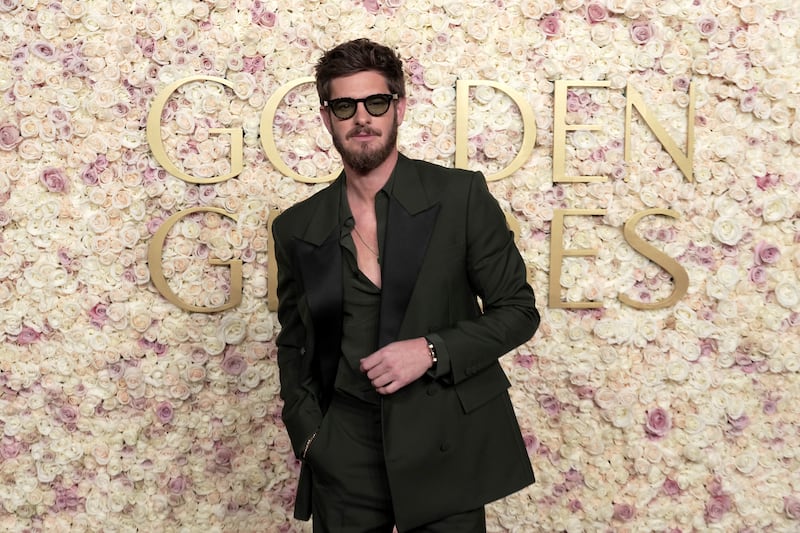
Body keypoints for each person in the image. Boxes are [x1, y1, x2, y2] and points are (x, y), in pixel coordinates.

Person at [272, 38, 540, 533]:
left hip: (444, 438)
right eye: (344, 105)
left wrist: (431, 350)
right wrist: (310, 436)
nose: (362, 118)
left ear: (398, 107)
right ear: (326, 117)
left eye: (375, 102)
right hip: (345, 451)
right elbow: (295, 342)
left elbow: (518, 311)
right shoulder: (297, 227)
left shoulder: (459, 197)